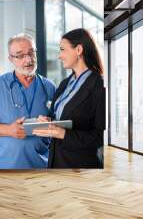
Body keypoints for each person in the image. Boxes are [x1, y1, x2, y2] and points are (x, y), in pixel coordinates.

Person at [0, 33, 56, 169]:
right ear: (11, 59)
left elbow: (57, 123)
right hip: (7, 166)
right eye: (20, 55)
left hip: (42, 165)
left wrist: (50, 123)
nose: (28, 60)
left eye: (31, 53)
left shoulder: (49, 86)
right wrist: (9, 130)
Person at [32, 28, 105, 168]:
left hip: (80, 166)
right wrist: (50, 121)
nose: (60, 56)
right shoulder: (65, 84)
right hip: (56, 161)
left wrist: (64, 134)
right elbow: (62, 117)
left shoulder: (99, 85)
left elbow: (100, 137)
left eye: (62, 49)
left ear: (78, 50)